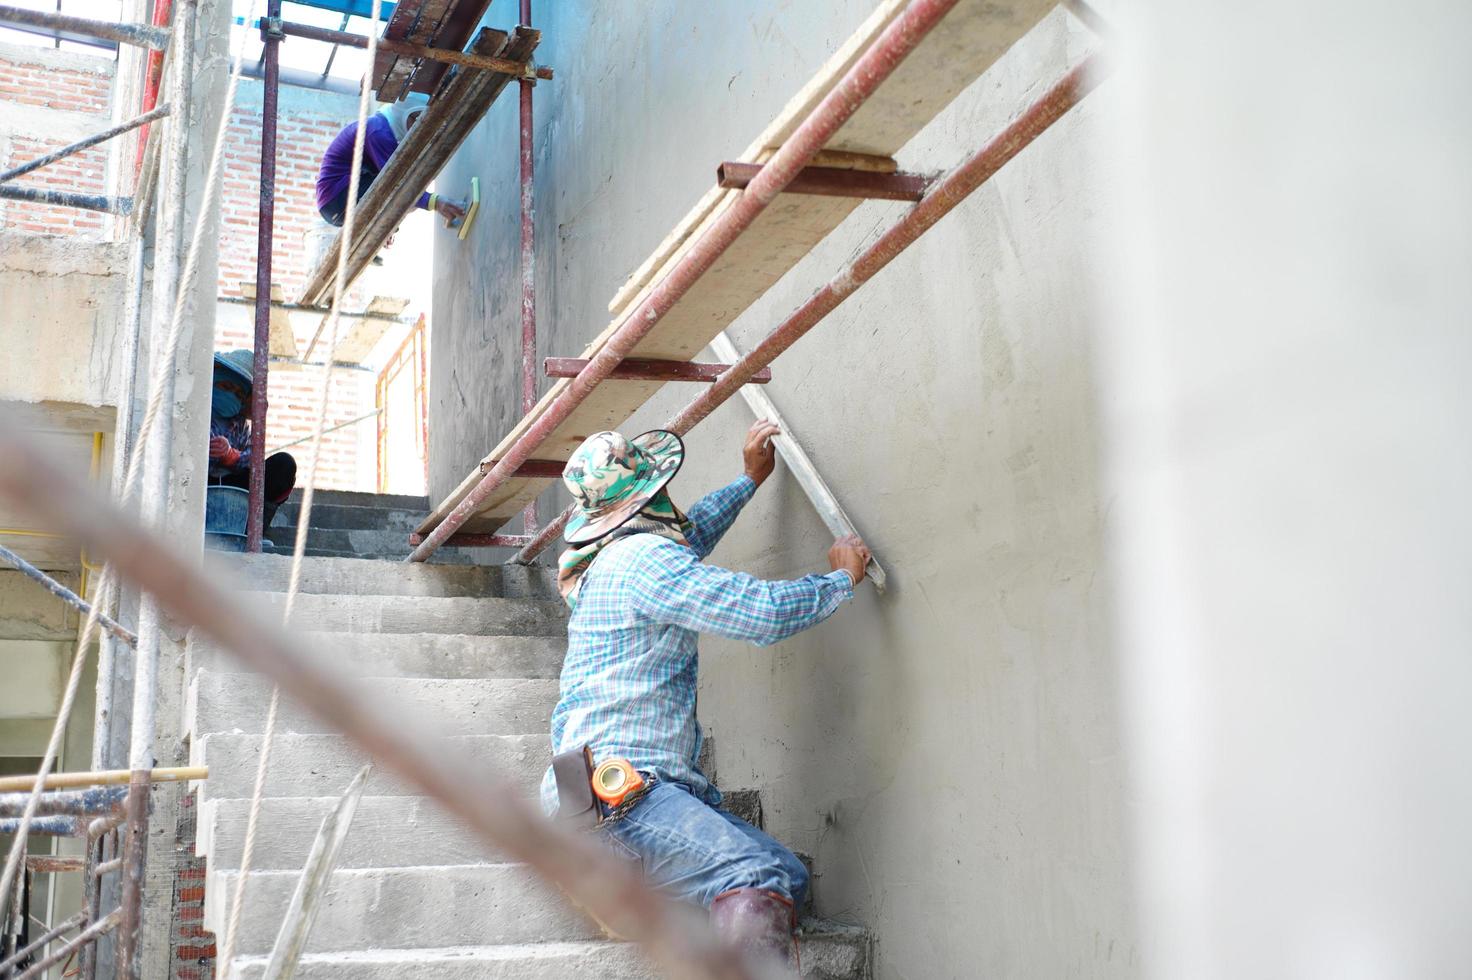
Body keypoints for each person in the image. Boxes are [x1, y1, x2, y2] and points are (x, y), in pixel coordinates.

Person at [540, 421, 870, 966]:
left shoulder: (609, 561)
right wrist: (839, 581)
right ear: (652, 495)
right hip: (621, 800)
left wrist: (749, 481)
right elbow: (758, 612)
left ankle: (627, 893)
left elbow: (687, 540)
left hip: (607, 798)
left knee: (785, 876)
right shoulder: (644, 561)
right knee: (753, 875)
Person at [314, 93, 465, 227]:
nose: (419, 128)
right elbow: (396, 183)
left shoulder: (385, 127)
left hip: (343, 196)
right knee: (402, 191)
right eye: (416, 120)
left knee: (409, 197)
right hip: (338, 199)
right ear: (405, 114)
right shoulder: (379, 132)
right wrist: (435, 202)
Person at [207, 349, 296, 528]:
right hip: (198, 486)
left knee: (284, 464)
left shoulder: (239, 424)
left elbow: (252, 456)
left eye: (239, 394)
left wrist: (233, 456)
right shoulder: (195, 408)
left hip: (233, 488)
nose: (232, 395)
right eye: (227, 387)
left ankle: (253, 529)